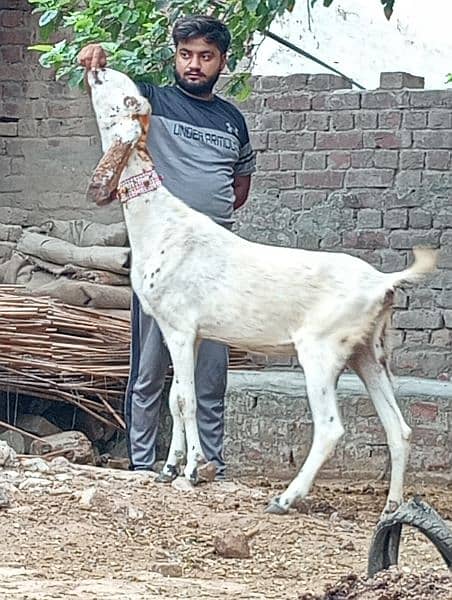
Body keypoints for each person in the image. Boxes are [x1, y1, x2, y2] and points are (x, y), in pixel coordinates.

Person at [78, 15, 256, 478]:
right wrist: (94, 61)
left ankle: (209, 462)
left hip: (218, 258)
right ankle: (143, 464)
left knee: (211, 366)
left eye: (205, 56)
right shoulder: (152, 100)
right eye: (185, 55)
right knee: (150, 364)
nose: (194, 65)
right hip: (164, 254)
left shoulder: (232, 119)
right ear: (174, 56)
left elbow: (240, 187)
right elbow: (109, 96)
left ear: (223, 62)